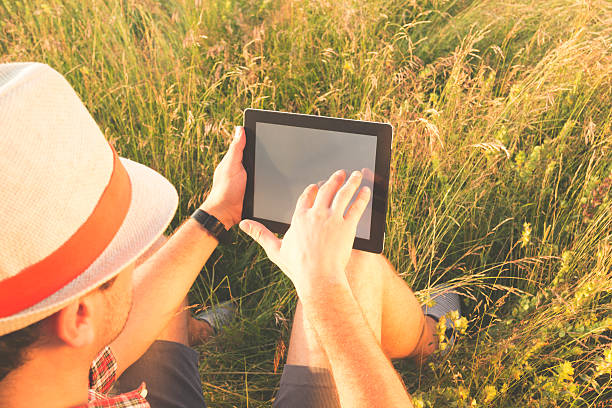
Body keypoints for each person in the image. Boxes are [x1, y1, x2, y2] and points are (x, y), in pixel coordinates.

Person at [0, 63, 458, 408]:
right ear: (78, 318)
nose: (126, 254)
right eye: (110, 262)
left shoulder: (35, 379)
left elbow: (89, 365)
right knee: (353, 262)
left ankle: (196, 329)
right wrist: (323, 286)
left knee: (156, 254)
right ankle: (430, 339)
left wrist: (217, 213)